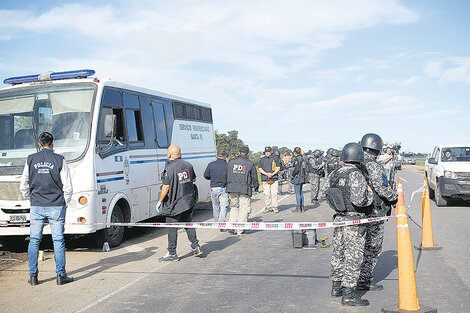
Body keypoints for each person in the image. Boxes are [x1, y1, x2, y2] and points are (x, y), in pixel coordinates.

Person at [320, 142, 373, 306]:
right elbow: (359, 200)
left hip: (339, 219)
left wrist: (338, 204)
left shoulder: (335, 173)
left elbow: (324, 194)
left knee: (338, 254)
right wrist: (370, 196)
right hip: (354, 222)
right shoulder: (356, 174)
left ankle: (336, 287)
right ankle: (349, 294)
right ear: (359, 157)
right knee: (353, 257)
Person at [19, 132, 74, 286]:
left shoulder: (30, 159)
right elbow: (68, 187)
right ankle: (60, 276)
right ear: (53, 143)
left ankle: (33, 276)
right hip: (56, 205)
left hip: (36, 205)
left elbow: (24, 184)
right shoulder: (60, 160)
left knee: (34, 241)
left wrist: (31, 198)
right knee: (58, 240)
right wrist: (64, 202)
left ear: (39, 143)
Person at [359, 133, 397, 291]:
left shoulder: (358, 161)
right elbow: (381, 188)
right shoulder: (373, 164)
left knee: (357, 246)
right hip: (374, 210)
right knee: (372, 246)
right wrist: (394, 197)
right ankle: (364, 280)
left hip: (359, 210)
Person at [156, 145, 202, 261]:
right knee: (188, 224)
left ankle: (172, 253)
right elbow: (192, 180)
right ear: (180, 154)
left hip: (175, 203)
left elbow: (166, 187)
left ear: (170, 155)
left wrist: (160, 201)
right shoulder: (188, 165)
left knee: (172, 228)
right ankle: (195, 245)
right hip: (188, 201)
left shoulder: (170, 168)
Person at [222, 146, 259, 236]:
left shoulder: (230, 162)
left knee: (234, 207)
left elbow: (224, 173)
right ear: (248, 153)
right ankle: (239, 229)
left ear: (239, 152)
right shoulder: (250, 163)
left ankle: (232, 226)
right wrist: (256, 188)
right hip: (244, 189)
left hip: (232, 188)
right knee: (244, 209)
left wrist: (223, 185)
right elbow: (254, 177)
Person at [204, 149, 229, 230]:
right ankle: (221, 222)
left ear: (217, 156)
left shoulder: (211, 164)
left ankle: (217, 222)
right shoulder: (227, 165)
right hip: (223, 188)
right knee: (223, 206)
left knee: (215, 206)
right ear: (225, 157)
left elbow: (206, 175)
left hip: (214, 188)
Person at [258, 146, 281, 213]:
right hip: (265, 179)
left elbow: (278, 167)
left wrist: (272, 174)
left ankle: (275, 207)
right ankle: (268, 206)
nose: (267, 153)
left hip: (274, 179)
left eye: (268, 152)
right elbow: (260, 168)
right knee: (266, 194)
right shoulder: (262, 159)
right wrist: (266, 174)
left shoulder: (275, 159)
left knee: (274, 194)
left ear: (271, 152)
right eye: (266, 152)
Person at [291, 147, 307, 213]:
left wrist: (292, 174)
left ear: (295, 152)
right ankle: (302, 207)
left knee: (297, 193)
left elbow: (296, 169)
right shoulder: (303, 158)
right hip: (302, 177)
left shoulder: (297, 159)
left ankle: (298, 208)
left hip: (298, 177)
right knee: (301, 192)